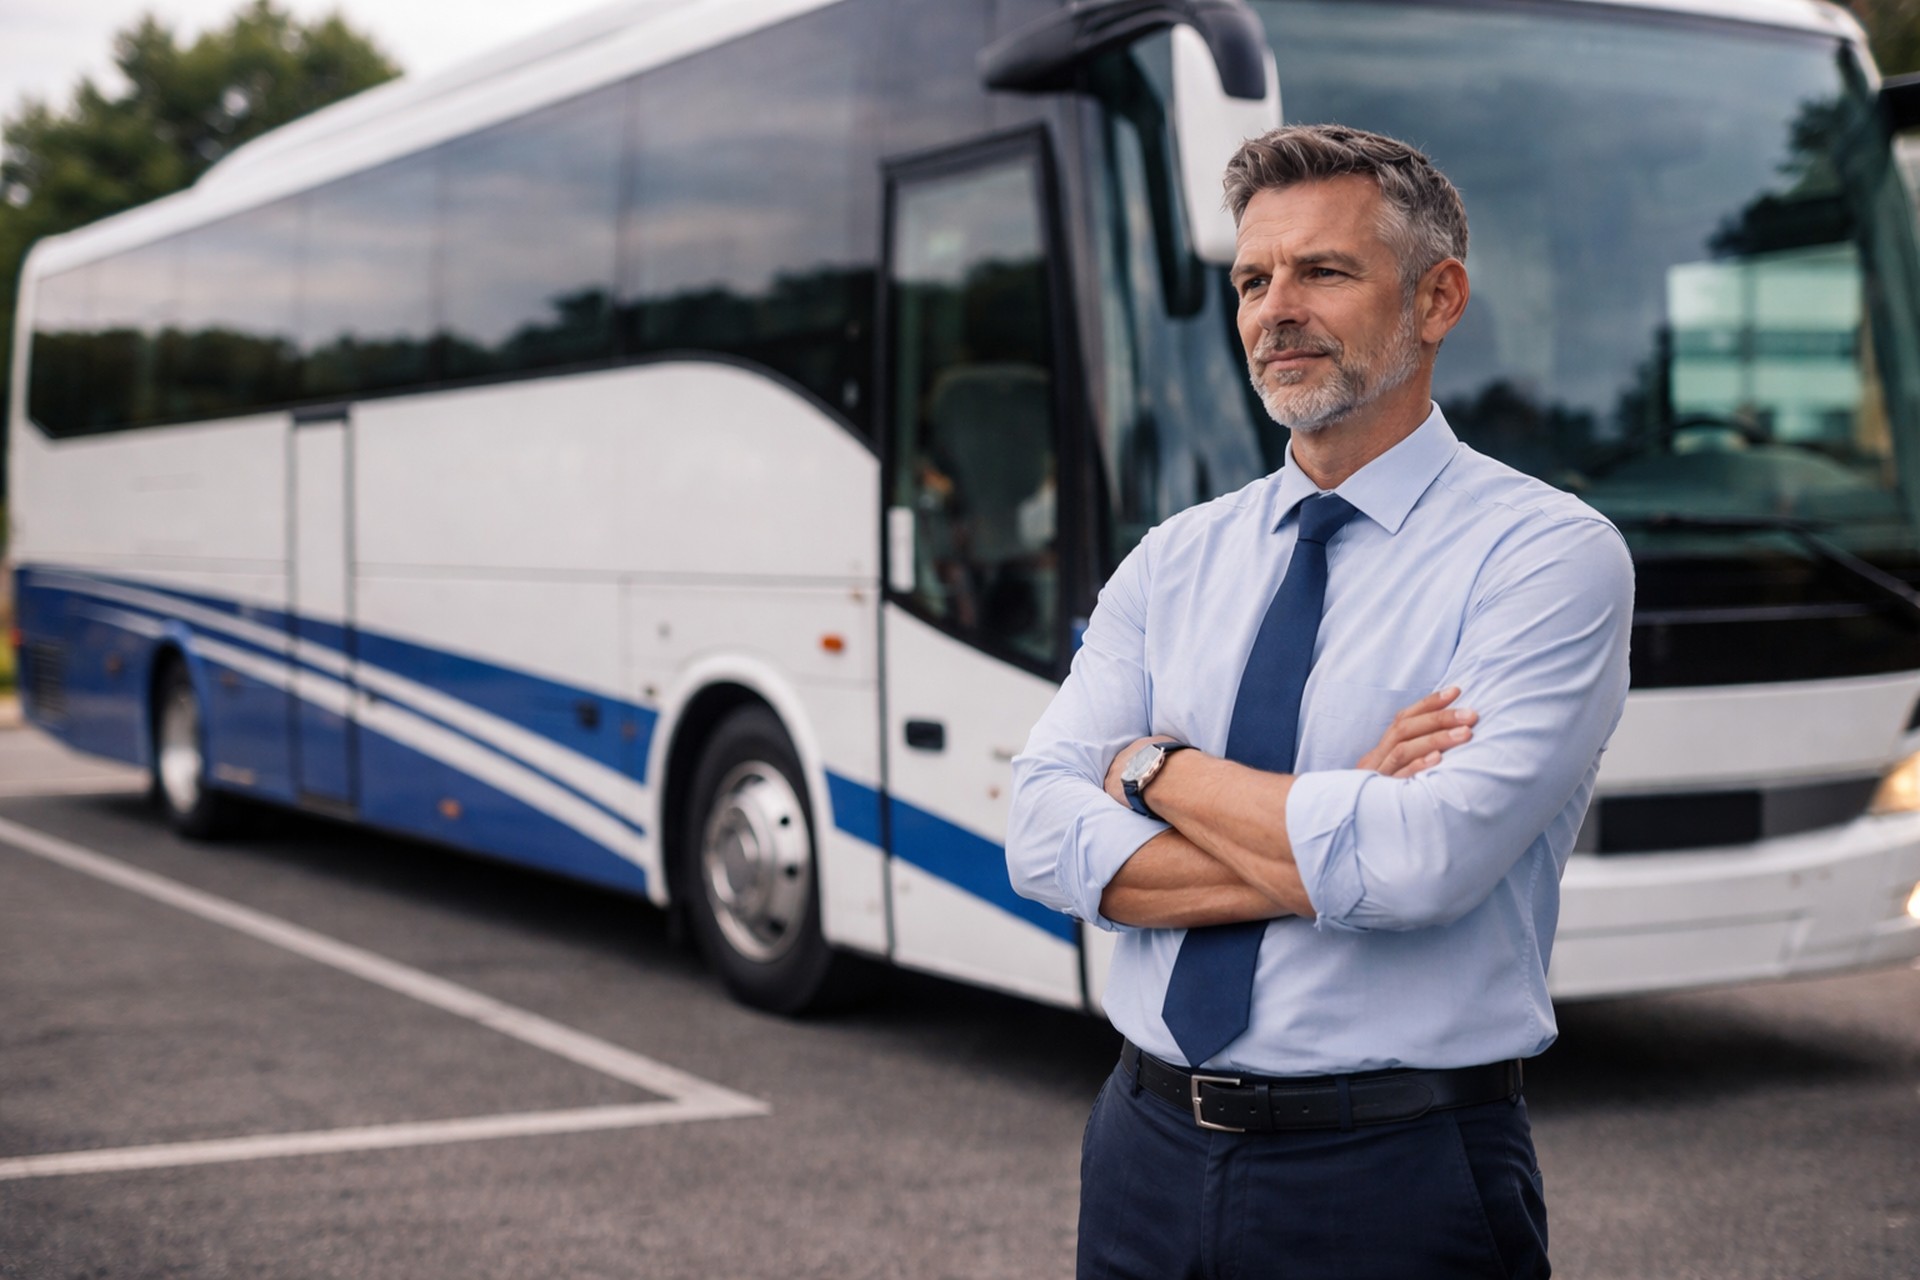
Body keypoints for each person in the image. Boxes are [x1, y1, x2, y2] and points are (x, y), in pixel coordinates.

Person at [1005, 123, 1633, 1279]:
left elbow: (1422, 865)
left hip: (1395, 1171)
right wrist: (1345, 811)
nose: (1274, 308)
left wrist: (1156, 773)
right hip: (1141, 1149)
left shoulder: (1545, 555)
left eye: (1323, 271)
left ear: (1437, 299)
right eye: (1253, 278)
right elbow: (1039, 834)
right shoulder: (1173, 557)